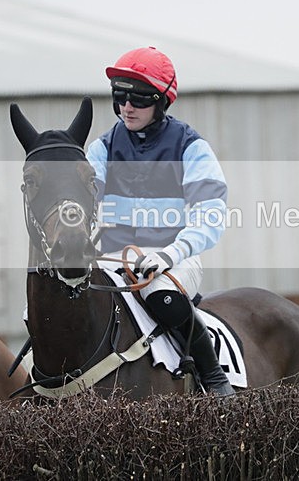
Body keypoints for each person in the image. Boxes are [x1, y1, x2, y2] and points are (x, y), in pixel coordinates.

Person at [87, 47, 235, 396]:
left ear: (161, 101)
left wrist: (170, 254)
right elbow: (80, 200)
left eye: (139, 98)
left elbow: (210, 215)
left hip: (174, 258)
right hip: (113, 258)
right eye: (120, 96)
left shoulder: (191, 147)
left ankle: (213, 378)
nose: (127, 106)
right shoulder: (103, 147)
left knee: (160, 293)